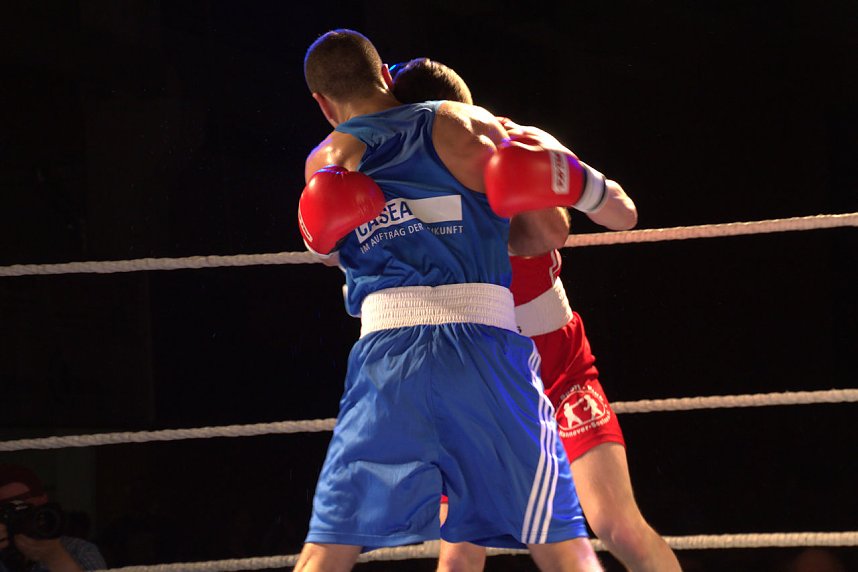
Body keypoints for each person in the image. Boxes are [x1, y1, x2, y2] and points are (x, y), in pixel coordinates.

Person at [295, 29, 609, 572]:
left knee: (327, 550)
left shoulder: (327, 160)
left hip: (386, 361)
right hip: (483, 347)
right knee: (561, 545)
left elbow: (328, 253)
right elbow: (547, 233)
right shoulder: (469, 125)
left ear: (322, 103)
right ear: (385, 77)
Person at [392, 58, 682, 572]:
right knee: (459, 553)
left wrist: (549, 181)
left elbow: (618, 216)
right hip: (472, 375)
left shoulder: (516, 142)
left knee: (618, 525)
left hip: (556, 366)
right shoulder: (397, 179)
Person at [0, 464, 106, 572]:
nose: (17, 511)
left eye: (23, 499)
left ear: (43, 500)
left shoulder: (79, 550)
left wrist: (56, 558)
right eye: (6, 506)